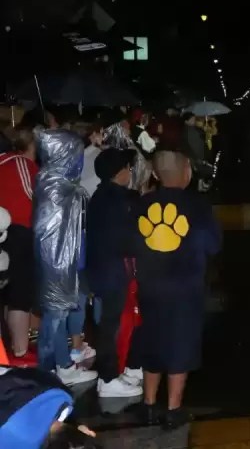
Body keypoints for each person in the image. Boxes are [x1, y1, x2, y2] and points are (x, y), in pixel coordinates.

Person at [132, 150, 221, 428]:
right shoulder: (198, 206)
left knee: (152, 339)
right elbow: (213, 245)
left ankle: (148, 405)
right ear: (188, 173)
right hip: (185, 288)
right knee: (180, 342)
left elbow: (126, 244)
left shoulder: (141, 205)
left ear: (156, 174)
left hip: (149, 287)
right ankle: (173, 409)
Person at [32, 130, 95, 386]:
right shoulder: (56, 186)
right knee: (54, 319)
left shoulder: (57, 182)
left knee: (57, 317)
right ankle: (48, 373)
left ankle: (61, 365)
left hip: (62, 262)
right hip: (57, 264)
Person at [85, 149, 142, 398]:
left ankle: (110, 375)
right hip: (112, 270)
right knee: (110, 324)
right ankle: (107, 379)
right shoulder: (115, 201)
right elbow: (124, 238)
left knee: (109, 323)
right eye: (127, 168)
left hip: (103, 268)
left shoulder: (102, 196)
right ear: (118, 172)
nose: (130, 172)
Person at [0, 127, 38, 364]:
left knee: (6, 291)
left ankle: (9, 346)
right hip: (17, 231)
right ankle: (21, 350)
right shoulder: (20, 163)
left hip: (5, 232)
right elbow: (35, 195)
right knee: (20, 295)